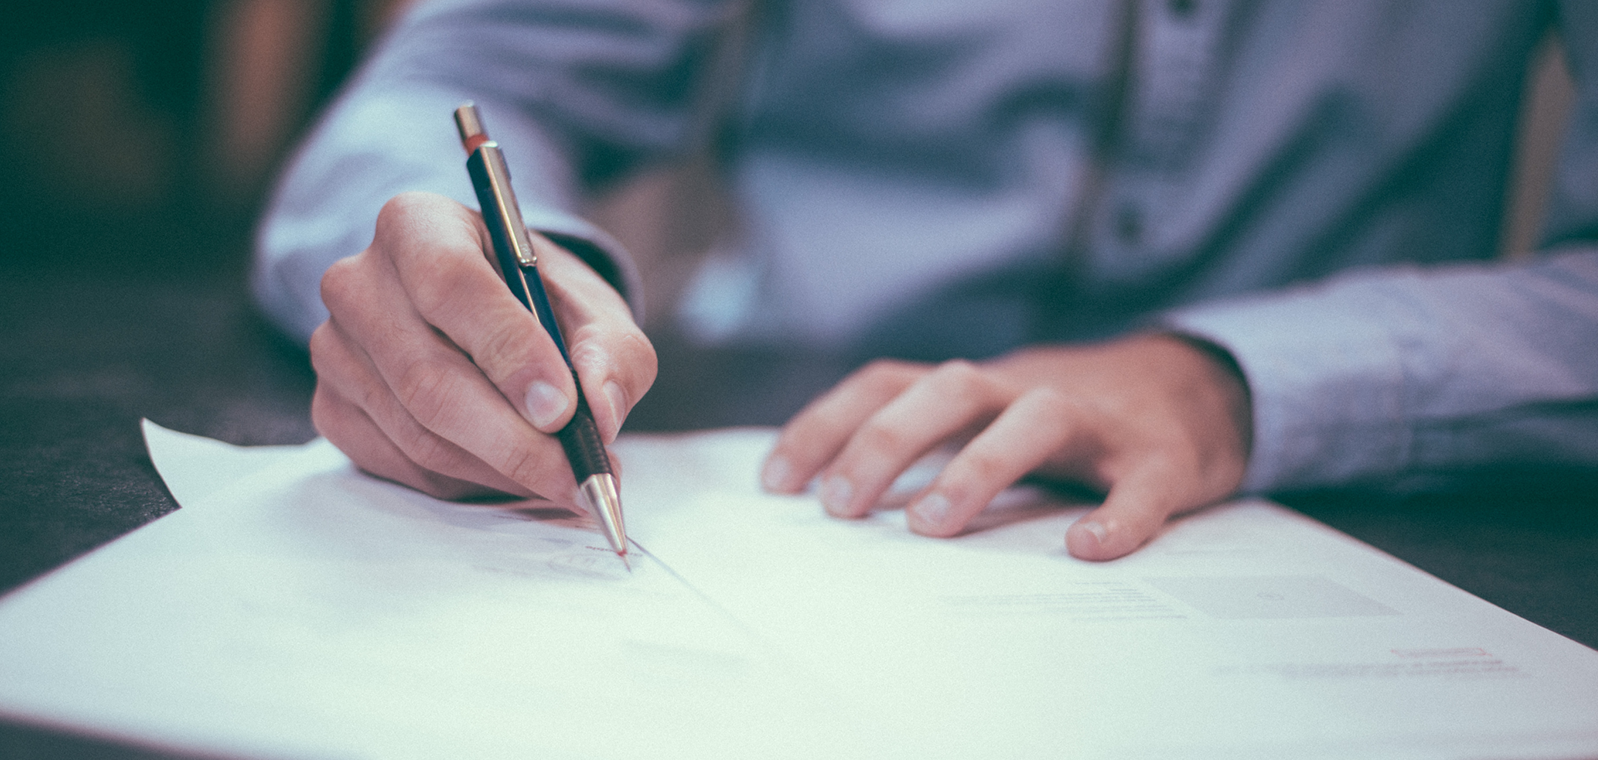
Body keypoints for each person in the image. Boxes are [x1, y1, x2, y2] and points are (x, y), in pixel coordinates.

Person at [254, 0, 1598, 561]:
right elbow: (451, 88)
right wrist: (488, 288)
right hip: (781, 459)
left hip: (1351, 509)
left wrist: (1234, 381)